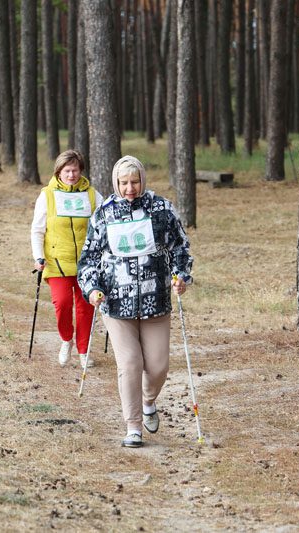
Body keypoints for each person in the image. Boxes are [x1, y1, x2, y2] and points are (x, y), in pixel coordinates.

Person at [77, 155, 193, 448]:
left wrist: (181, 275)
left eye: (135, 181)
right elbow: (88, 259)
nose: (130, 188)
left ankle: (148, 400)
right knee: (129, 363)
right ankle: (133, 427)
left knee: (157, 368)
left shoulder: (161, 208)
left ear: (142, 179)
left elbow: (180, 246)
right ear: (116, 183)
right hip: (116, 304)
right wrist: (92, 289)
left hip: (156, 302)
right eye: (124, 182)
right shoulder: (103, 214)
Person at [31, 150, 103, 369]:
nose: (72, 175)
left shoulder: (92, 195)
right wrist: (38, 256)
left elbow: (103, 225)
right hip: (57, 262)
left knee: (86, 308)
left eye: (75, 170)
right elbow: (37, 230)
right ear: (59, 172)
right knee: (62, 304)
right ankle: (66, 340)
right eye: (67, 171)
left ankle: (83, 350)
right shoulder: (47, 195)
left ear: (81, 170)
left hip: (87, 264)